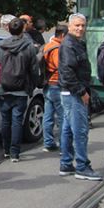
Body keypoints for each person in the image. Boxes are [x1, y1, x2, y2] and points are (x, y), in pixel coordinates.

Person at [59, 13, 103, 181]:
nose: (80, 28)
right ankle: (82, 166)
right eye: (77, 25)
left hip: (72, 91)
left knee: (68, 129)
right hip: (73, 93)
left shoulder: (77, 43)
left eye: (83, 25)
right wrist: (82, 92)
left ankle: (66, 163)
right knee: (80, 130)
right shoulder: (69, 45)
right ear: (69, 27)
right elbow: (68, 72)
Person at [0, 17, 39, 162]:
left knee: (5, 120)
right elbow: (33, 69)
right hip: (21, 89)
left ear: (8, 28)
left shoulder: (0, 46)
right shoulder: (29, 47)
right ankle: (15, 153)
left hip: (4, 88)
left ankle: (6, 149)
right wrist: (32, 86)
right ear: (22, 29)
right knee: (17, 121)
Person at [42, 24, 68, 152]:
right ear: (63, 35)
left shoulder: (47, 46)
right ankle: (64, 145)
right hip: (56, 84)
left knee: (48, 116)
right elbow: (60, 66)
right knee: (62, 116)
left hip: (48, 84)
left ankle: (48, 142)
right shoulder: (58, 49)